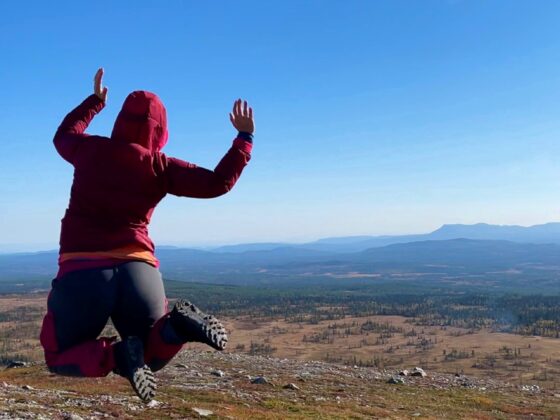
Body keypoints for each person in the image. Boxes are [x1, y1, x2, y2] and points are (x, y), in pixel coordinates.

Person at [39, 68, 254, 402]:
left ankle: (117, 355)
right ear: (162, 129)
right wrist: (244, 140)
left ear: (120, 120)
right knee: (153, 352)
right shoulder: (160, 166)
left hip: (82, 273)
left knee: (58, 355)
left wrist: (94, 103)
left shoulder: (89, 150)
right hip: (139, 270)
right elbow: (217, 183)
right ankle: (178, 326)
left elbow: (63, 135)